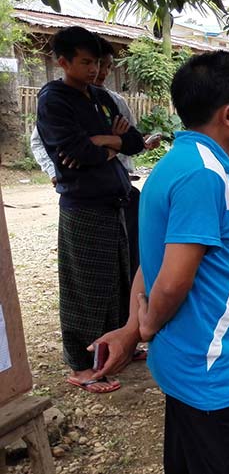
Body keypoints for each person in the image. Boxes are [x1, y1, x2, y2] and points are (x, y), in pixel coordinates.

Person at [94, 50, 229, 473]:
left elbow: (151, 261)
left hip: (186, 363)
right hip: (209, 369)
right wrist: (146, 325)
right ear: (228, 115)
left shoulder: (174, 164)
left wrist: (134, 330)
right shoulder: (203, 175)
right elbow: (170, 282)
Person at [36, 26, 145, 394]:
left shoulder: (100, 97)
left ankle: (114, 351)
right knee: (86, 287)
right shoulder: (54, 100)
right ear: (62, 61)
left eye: (96, 62)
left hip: (115, 201)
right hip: (83, 206)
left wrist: (108, 141)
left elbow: (134, 141)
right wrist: (104, 146)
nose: (93, 69)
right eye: (85, 62)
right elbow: (74, 154)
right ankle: (82, 364)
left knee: (119, 278)